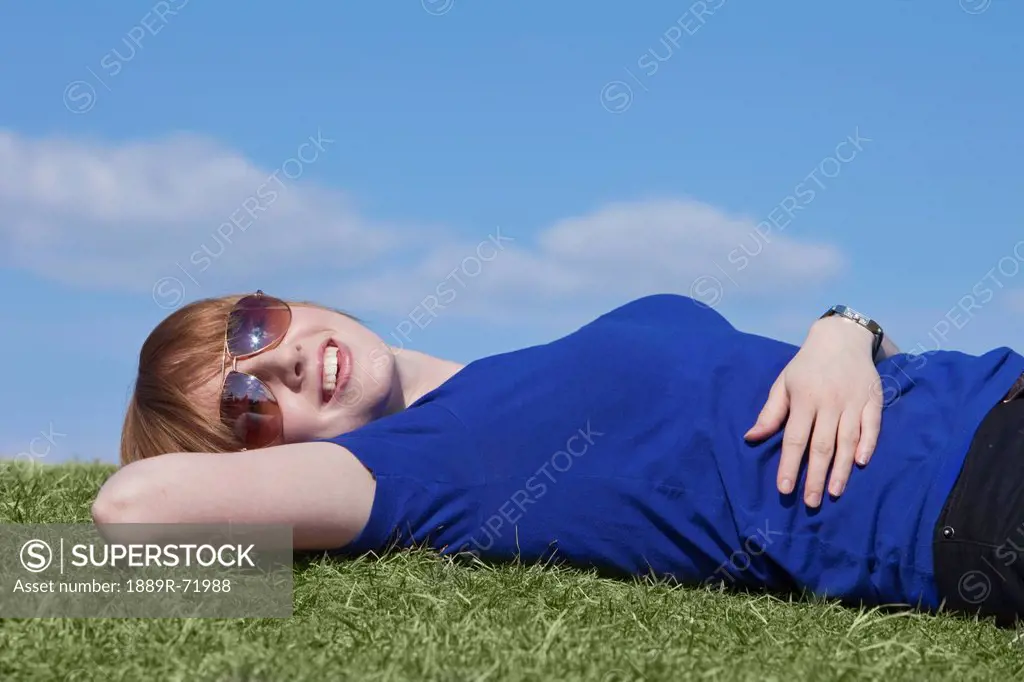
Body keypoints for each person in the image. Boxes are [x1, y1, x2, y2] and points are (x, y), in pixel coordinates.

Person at [96, 291, 1024, 625]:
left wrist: (843, 331)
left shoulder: (507, 374)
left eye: (253, 329)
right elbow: (124, 518)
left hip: (992, 386)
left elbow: (830, 379)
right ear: (261, 462)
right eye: (249, 407)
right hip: (975, 498)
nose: (281, 361)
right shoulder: (422, 468)